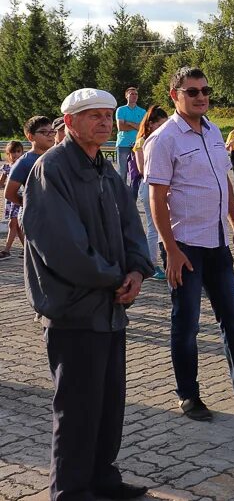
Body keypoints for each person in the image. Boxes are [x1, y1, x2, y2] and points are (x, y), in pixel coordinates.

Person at [23, 88, 154, 501]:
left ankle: (102, 477)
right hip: (75, 309)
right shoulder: (52, 169)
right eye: (93, 115)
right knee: (77, 407)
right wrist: (114, 277)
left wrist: (136, 270)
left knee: (108, 402)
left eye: (107, 115)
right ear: (69, 121)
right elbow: (63, 246)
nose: (103, 122)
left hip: (111, 306)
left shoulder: (104, 168)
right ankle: (71, 490)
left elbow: (132, 225)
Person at [146, 67, 234, 421]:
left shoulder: (212, 131)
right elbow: (156, 199)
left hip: (218, 242)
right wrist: (171, 249)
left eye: (205, 90)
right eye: (192, 91)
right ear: (174, 94)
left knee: (233, 319)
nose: (201, 97)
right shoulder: (164, 139)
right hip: (186, 246)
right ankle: (189, 395)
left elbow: (224, 182)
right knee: (187, 323)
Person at [134, 105, 169, 280]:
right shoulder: (142, 142)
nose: (163, 127)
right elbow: (141, 169)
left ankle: (165, 260)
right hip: (149, 186)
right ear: (150, 124)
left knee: (167, 226)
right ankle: (151, 265)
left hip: (165, 185)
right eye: (160, 124)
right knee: (154, 227)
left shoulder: (165, 139)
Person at [3, 116, 56, 225]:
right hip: (35, 219)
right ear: (30, 137)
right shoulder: (24, 162)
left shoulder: (58, 156)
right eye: (44, 132)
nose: (50, 135)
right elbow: (9, 193)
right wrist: (30, 205)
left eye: (51, 131)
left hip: (55, 215)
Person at [115, 86, 145, 192]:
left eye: (136, 94)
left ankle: (133, 199)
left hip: (137, 145)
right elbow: (120, 127)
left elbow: (143, 128)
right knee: (122, 173)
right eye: (132, 94)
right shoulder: (121, 110)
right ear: (126, 95)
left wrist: (129, 123)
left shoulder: (142, 111)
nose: (134, 96)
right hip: (123, 144)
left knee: (136, 173)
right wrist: (136, 125)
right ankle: (121, 198)